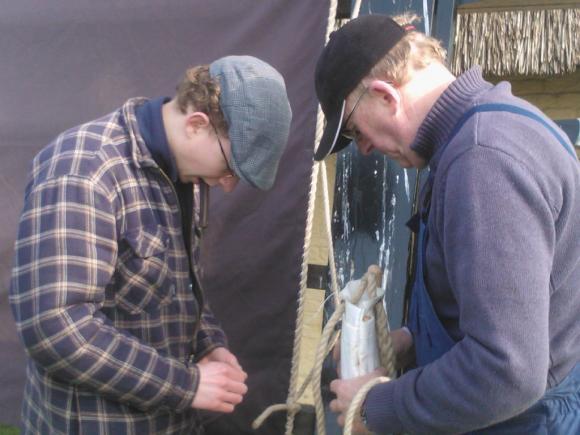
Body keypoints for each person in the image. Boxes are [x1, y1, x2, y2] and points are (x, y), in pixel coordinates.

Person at [314, 13, 580, 434]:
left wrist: (376, 407)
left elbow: (506, 370)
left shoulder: (482, 159)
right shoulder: (492, 130)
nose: (362, 148)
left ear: (385, 95)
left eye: (354, 130)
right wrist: (409, 340)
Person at [9, 55, 292, 434]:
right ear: (196, 124)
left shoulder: (185, 173)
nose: (228, 185)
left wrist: (208, 343)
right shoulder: (83, 172)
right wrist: (187, 385)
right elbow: (56, 328)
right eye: (230, 167)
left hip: (169, 421)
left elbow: (175, 286)